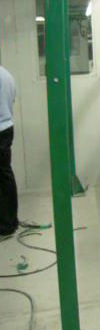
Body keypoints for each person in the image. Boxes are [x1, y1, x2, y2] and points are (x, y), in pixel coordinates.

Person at [0, 66, 18, 236]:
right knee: (5, 175)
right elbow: (12, 99)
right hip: (6, 128)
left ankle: (6, 224)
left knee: (3, 177)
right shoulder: (7, 74)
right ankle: (10, 221)